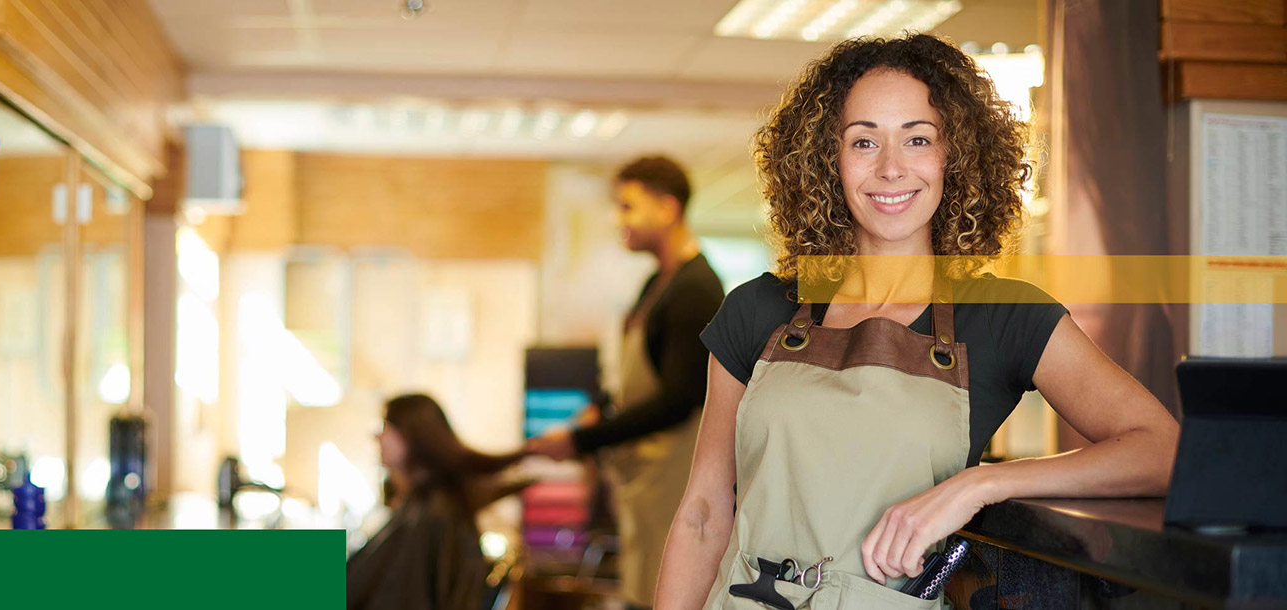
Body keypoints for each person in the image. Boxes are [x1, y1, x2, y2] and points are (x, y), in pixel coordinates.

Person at [653, 34, 1181, 610]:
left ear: (955, 156)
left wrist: (981, 485)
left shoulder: (1006, 317)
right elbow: (704, 514)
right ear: (826, 161)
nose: (890, 168)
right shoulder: (757, 309)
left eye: (918, 139)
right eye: (863, 141)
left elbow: (1162, 450)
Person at [527, 156, 725, 610]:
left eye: (628, 207)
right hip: (646, 478)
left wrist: (583, 438)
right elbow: (633, 374)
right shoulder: (659, 282)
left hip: (675, 478)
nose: (619, 220)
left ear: (668, 209)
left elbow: (678, 398)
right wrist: (600, 407)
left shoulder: (696, 291)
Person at [347, 394, 530, 610]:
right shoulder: (422, 506)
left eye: (386, 426)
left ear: (412, 434)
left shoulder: (433, 514)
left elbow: (392, 595)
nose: (377, 437)